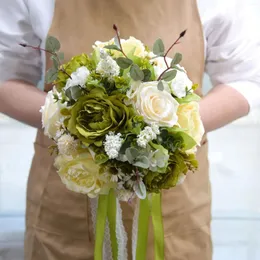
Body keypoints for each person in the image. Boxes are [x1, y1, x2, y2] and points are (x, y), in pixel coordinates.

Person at [0, 0, 259, 259]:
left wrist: (169, 126)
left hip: (175, 207)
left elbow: (246, 76)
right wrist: (74, 122)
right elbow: (5, 76)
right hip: (64, 207)